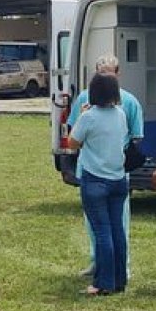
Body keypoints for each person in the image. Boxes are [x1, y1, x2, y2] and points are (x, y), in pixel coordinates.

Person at [66, 55, 144, 278]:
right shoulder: (87, 100)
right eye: (100, 73)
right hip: (101, 170)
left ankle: (118, 268)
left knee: (112, 224)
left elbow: (136, 137)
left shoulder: (129, 103)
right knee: (98, 225)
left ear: (118, 75)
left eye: (107, 73)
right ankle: (98, 262)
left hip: (106, 171)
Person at [66, 72, 128, 296]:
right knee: (117, 230)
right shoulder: (120, 114)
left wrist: (82, 115)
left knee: (102, 232)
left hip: (95, 179)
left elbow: (72, 142)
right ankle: (120, 278)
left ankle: (103, 282)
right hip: (118, 178)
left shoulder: (89, 116)